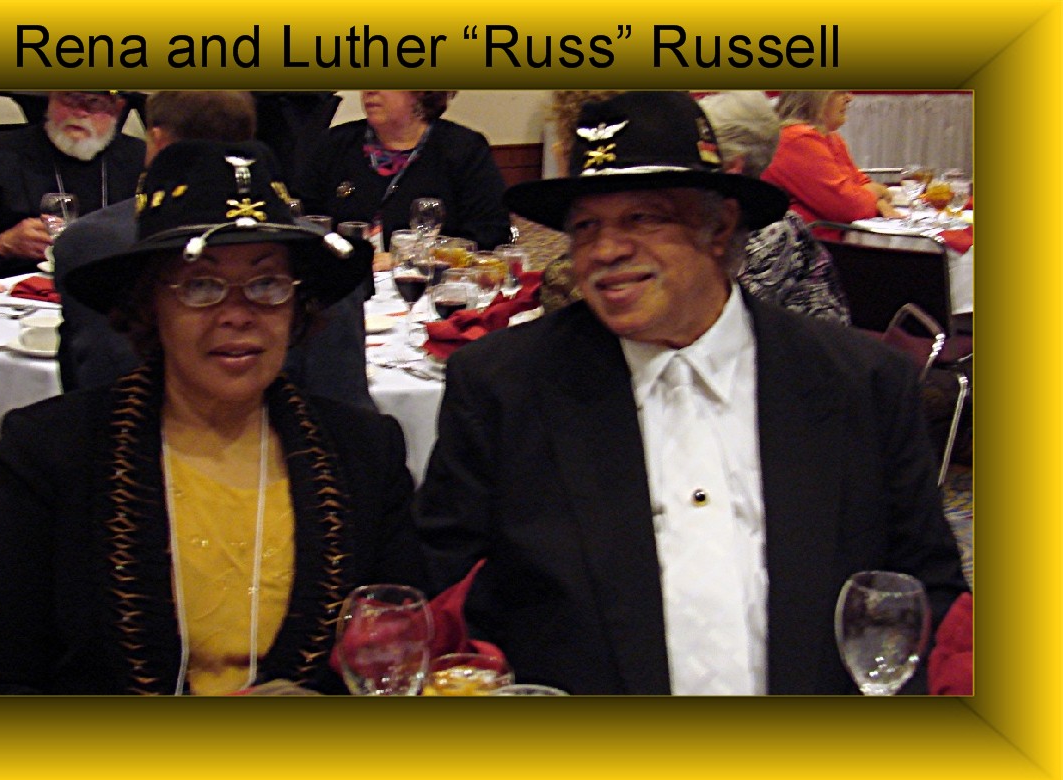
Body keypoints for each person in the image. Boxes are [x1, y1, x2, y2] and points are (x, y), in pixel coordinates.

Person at [414, 92, 966, 695]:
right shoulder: (504, 386)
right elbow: (442, 598)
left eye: (642, 218)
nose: (606, 250)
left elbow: (924, 590)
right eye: (586, 226)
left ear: (720, 226)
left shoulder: (858, 382)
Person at [0, 140, 424, 695]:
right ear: (150, 305)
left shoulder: (364, 451)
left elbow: (400, 653)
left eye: (267, 284)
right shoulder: (52, 452)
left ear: (298, 305)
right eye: (201, 286)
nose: (238, 315)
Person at [53, 91, 265, 392]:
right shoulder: (310, 245)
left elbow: (90, 376)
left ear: (158, 142)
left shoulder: (92, 241)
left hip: (130, 415)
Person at [0, 91, 146, 278]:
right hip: (21, 289)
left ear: (117, 108)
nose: (79, 112)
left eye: (94, 103)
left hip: (117, 284)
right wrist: (2, 243)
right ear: (51, 98)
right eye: (70, 98)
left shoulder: (139, 156)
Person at [698, 91, 851, 324]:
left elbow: (721, 319)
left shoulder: (774, 233)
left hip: (800, 346)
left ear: (732, 166)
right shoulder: (719, 219)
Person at [295, 90, 511, 252]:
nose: (369, 90)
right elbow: (301, 220)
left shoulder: (463, 149)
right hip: (347, 282)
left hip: (431, 284)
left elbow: (490, 233)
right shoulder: (334, 144)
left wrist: (408, 258)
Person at [761, 91, 901, 237]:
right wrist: (876, 197)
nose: (849, 98)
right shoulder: (797, 139)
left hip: (834, 242)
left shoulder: (830, 138)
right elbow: (849, 208)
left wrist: (875, 200)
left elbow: (861, 184)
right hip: (814, 246)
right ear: (816, 98)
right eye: (840, 92)